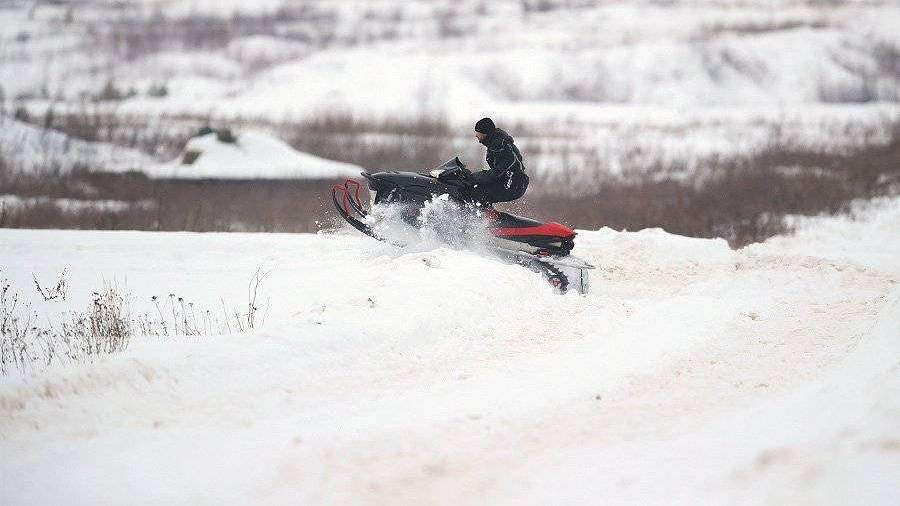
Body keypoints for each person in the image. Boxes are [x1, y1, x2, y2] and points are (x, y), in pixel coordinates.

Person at [468, 117, 529, 206]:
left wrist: (474, 177)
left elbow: (500, 170)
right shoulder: (496, 144)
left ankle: (483, 213)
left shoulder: (501, 146)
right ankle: (485, 212)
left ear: (485, 132)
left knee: (478, 193)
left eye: (478, 132)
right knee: (475, 189)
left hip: (515, 183)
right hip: (511, 182)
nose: (476, 135)